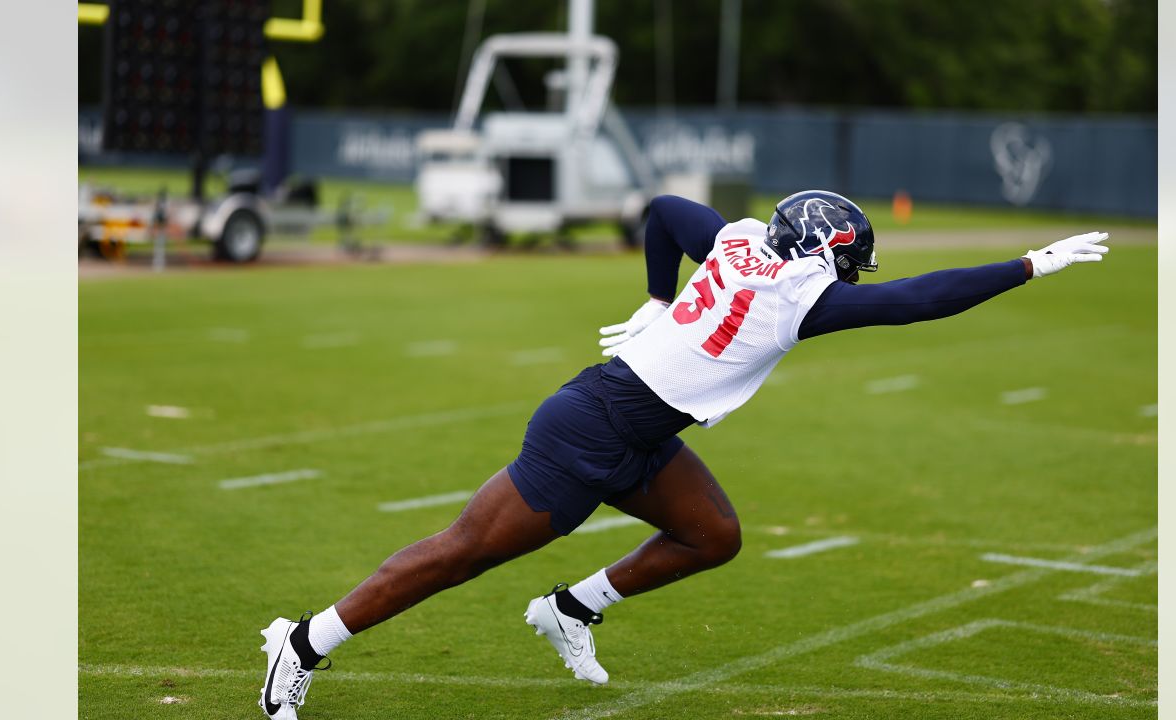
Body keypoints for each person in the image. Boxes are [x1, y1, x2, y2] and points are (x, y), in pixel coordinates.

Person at [258, 191, 1109, 719]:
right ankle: (301, 644)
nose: (853, 272)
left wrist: (657, 296)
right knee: (461, 554)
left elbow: (664, 208)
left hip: (640, 426)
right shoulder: (798, 305)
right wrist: (1029, 265)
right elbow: (921, 300)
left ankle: (572, 610)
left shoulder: (740, 235)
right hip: (591, 426)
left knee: (712, 535)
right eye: (848, 258)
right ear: (820, 254)